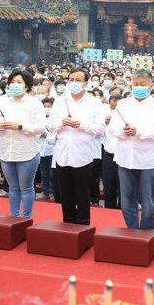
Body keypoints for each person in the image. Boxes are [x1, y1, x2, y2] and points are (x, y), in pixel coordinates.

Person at [108, 70, 154, 230]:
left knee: (148, 201)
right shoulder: (123, 104)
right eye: (136, 84)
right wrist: (123, 131)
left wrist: (138, 132)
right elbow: (113, 127)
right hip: (125, 158)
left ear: (151, 85)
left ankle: (147, 233)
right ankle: (132, 232)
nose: (138, 87)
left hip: (148, 160)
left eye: (143, 84)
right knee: (127, 201)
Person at [48, 68, 104, 224]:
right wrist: (61, 123)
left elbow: (100, 129)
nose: (74, 83)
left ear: (86, 83)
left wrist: (81, 125)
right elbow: (50, 125)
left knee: (82, 192)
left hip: (83, 154)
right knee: (65, 193)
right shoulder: (60, 101)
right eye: (71, 79)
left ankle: (83, 224)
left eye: (78, 80)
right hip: (62, 153)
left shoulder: (94, 102)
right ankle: (68, 223)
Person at [0, 69, 45, 218]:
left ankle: (26, 218)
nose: (14, 85)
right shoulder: (2, 101)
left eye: (19, 82)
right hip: (6, 152)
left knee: (26, 187)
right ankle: (14, 217)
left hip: (27, 152)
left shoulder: (34, 103)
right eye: (12, 82)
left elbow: (40, 127)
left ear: (27, 86)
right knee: (13, 188)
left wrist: (20, 127)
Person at [101, 94, 121, 209]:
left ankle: (123, 210)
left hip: (122, 156)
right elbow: (98, 134)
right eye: (114, 100)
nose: (116, 102)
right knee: (108, 185)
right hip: (108, 155)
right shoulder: (105, 116)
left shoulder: (126, 117)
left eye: (118, 101)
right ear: (110, 102)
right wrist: (105, 123)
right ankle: (109, 210)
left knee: (123, 187)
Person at [38, 97, 55, 200]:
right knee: (44, 173)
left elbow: (55, 133)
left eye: (49, 106)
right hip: (41, 149)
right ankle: (45, 191)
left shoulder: (55, 118)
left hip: (52, 149)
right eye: (44, 106)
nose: (46, 108)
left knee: (52, 172)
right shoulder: (39, 118)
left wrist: (46, 135)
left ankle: (52, 191)